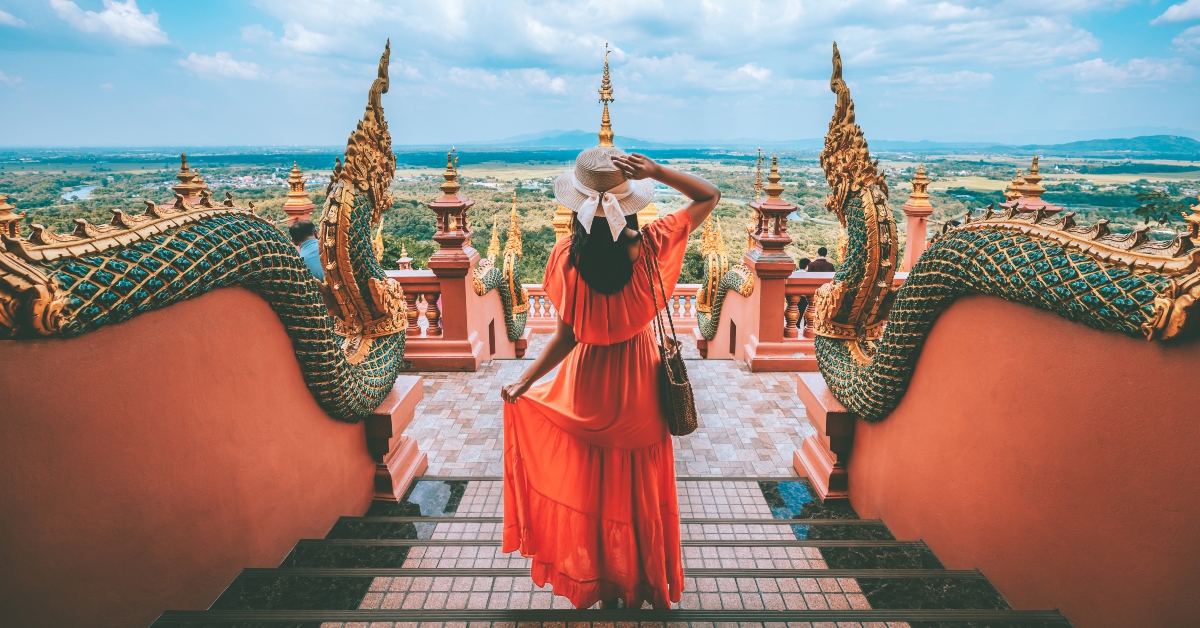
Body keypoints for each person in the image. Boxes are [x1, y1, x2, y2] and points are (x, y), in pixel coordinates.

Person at [500, 147, 720, 610]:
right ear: (632, 202)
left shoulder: (565, 258)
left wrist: (525, 382)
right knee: (638, 489)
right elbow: (709, 195)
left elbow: (566, 338)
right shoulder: (654, 245)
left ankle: (603, 583)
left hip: (587, 382)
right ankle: (639, 581)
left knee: (595, 488)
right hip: (639, 381)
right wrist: (658, 170)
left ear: (576, 204)